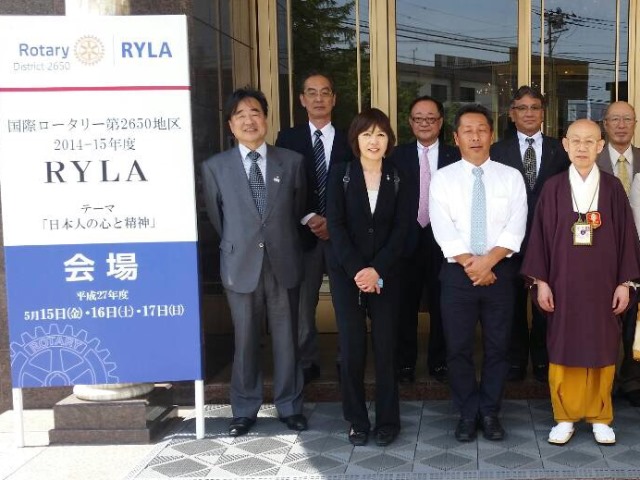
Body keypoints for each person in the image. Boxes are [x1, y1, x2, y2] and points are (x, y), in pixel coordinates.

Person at [521, 119, 640, 446]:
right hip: (562, 286)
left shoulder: (613, 188)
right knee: (564, 346)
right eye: (576, 141)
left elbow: (627, 239)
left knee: (602, 346)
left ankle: (601, 416)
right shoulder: (553, 188)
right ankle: (565, 415)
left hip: (604, 286)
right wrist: (541, 282)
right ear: (565, 145)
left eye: (590, 141)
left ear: (601, 146)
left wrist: (625, 283)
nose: (583, 147)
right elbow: (539, 238)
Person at [201, 88, 308, 437]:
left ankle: (290, 406)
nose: (249, 121)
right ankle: (244, 409)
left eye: (255, 113)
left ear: (266, 118)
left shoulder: (291, 162)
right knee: (245, 340)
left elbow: (296, 211)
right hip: (240, 264)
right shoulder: (215, 167)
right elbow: (218, 219)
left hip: (283, 262)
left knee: (286, 339)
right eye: (240, 115)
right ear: (230, 125)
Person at [429, 104, 527, 442]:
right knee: (458, 348)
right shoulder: (443, 178)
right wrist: (473, 264)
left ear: (491, 135)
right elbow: (442, 228)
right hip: (458, 275)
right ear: (456, 137)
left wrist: (489, 262)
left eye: (482, 129)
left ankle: (490, 411)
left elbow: (516, 225)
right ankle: (467, 412)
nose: (475, 136)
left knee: (499, 347)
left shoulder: (510, 177)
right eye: (468, 131)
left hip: (499, 272)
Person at [326, 108, 410, 447]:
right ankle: (357, 420)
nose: (373, 141)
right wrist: (358, 271)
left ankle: (388, 420)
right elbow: (335, 225)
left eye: (380, 134)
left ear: (389, 140)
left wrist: (378, 269)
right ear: (355, 139)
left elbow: (402, 228)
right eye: (366, 134)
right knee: (352, 349)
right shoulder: (341, 174)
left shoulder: (399, 176)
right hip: (348, 274)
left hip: (386, 274)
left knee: (386, 348)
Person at [490, 85, 570, 382]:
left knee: (544, 305)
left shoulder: (560, 149)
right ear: (512, 114)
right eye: (521, 108)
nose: (528, 113)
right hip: (508, 242)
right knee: (510, 305)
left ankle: (542, 360)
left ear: (543, 113)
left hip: (549, 241)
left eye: (534, 107)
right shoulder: (496, 151)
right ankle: (515, 360)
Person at [275, 72, 350, 385]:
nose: (319, 98)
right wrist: (308, 216)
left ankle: (347, 359)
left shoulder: (350, 138)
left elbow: (356, 186)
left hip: (342, 234)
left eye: (325, 92)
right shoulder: (287, 139)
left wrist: (334, 221)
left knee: (345, 301)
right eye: (312, 93)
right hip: (303, 234)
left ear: (334, 99)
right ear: (302, 100)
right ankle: (307, 362)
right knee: (304, 304)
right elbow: (283, 186)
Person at [390, 95, 459, 384]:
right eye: (419, 118)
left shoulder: (456, 156)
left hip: (444, 241)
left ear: (441, 122)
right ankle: (405, 363)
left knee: (442, 304)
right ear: (410, 122)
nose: (425, 123)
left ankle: (439, 362)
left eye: (431, 118)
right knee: (404, 305)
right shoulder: (395, 156)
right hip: (405, 241)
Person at [599, 101, 640, 408]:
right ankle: (605, 381)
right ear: (605, 124)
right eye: (615, 119)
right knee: (606, 316)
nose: (622, 125)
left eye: (628, 119)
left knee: (636, 319)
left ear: (635, 124)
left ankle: (632, 379)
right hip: (603, 253)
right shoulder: (591, 159)